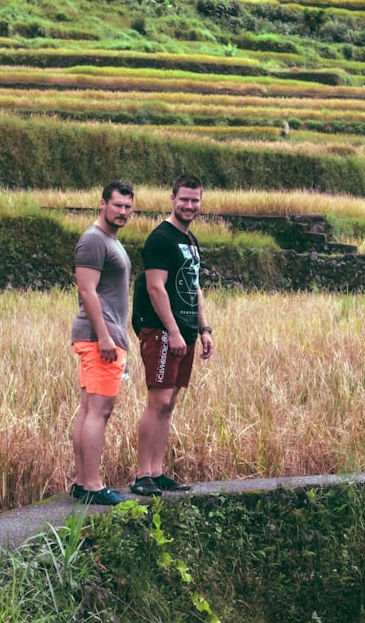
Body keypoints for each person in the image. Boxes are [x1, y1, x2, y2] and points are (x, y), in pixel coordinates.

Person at [130, 174, 214, 497]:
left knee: (171, 402)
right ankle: (142, 475)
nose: (190, 206)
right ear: (172, 198)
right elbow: (155, 288)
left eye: (195, 200)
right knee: (158, 400)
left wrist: (203, 329)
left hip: (187, 331)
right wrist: (174, 332)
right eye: (185, 200)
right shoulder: (161, 239)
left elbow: (195, 288)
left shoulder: (190, 242)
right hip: (163, 331)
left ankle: (157, 471)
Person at [70, 180, 135, 505]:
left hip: (104, 336)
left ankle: (83, 482)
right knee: (99, 410)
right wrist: (106, 336)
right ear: (102, 204)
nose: (123, 212)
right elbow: (87, 290)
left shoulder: (108, 240)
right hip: (100, 338)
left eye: (128, 207)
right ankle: (92, 485)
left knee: (89, 409)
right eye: (118, 205)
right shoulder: (94, 240)